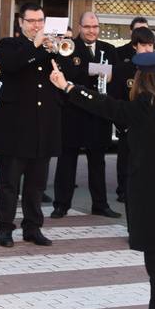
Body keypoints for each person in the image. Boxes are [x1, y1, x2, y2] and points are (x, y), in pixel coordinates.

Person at [50, 51, 155, 309]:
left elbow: (106, 106)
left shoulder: (146, 105)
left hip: (154, 194)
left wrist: (68, 86)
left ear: (144, 79)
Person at [0, 3, 62, 248]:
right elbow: (12, 65)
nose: (36, 25)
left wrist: (56, 51)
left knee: (36, 184)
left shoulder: (51, 47)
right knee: (9, 183)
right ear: (21, 22)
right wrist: (36, 45)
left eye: (40, 21)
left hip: (43, 126)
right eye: (31, 21)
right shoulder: (9, 45)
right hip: (16, 128)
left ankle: (33, 228)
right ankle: (4, 228)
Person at [53, 12, 121, 219]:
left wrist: (107, 76)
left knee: (98, 162)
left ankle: (100, 205)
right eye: (87, 27)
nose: (92, 31)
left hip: (98, 114)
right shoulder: (68, 47)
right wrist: (96, 70)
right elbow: (68, 76)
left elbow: (116, 78)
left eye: (95, 26)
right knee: (67, 162)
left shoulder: (109, 49)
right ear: (80, 27)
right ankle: (61, 205)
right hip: (73, 113)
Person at [113, 16, 151, 202]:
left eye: (150, 45)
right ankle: (123, 191)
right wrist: (122, 125)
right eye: (143, 45)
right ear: (135, 46)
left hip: (150, 127)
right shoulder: (123, 68)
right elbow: (115, 99)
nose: (147, 49)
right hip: (128, 126)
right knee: (125, 161)